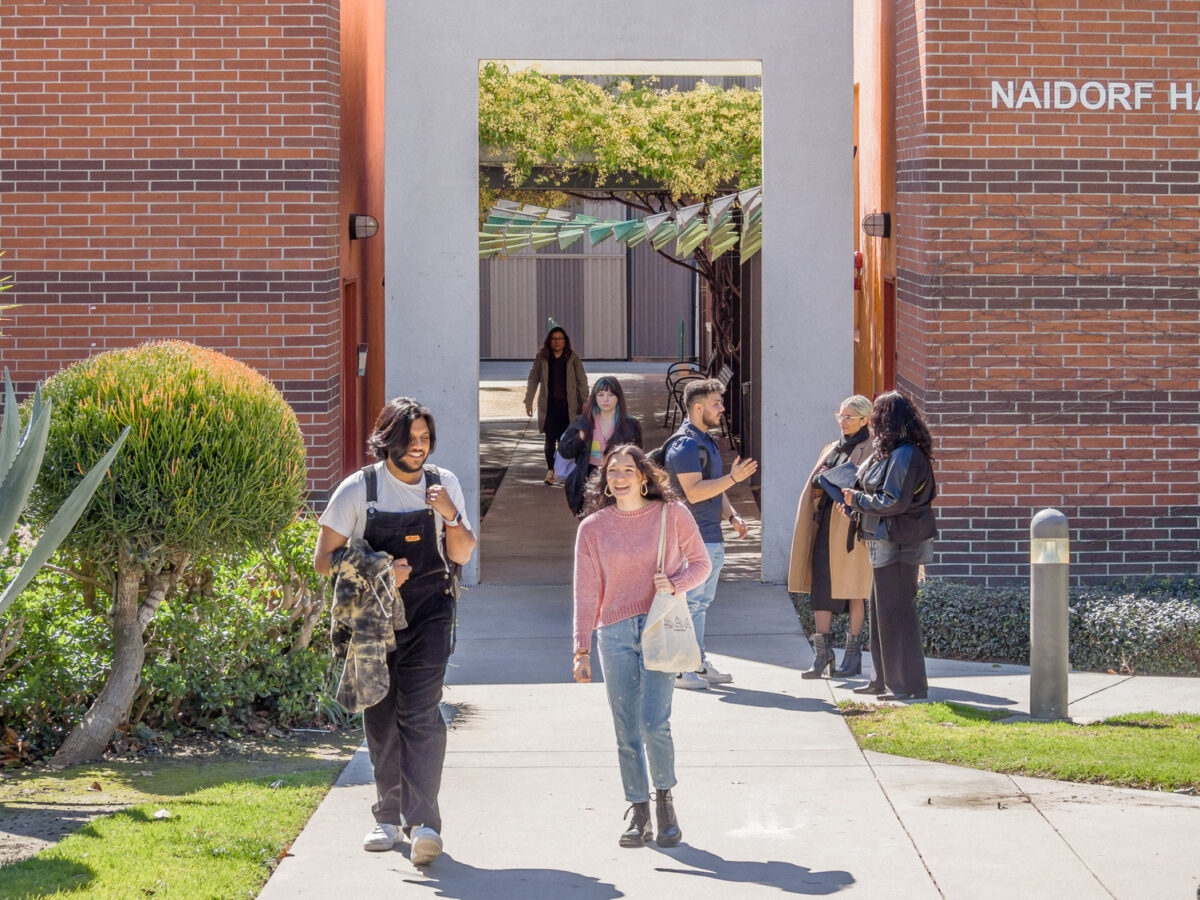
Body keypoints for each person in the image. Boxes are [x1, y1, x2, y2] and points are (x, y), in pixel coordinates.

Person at [314, 397, 477, 862]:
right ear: (388, 440)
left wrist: (449, 513)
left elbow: (462, 553)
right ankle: (387, 817)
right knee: (381, 714)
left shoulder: (444, 485)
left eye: (425, 439)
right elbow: (323, 561)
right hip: (372, 615)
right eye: (409, 439)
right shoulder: (357, 490)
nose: (418, 447)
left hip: (430, 610)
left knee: (421, 710)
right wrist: (381, 569)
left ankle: (425, 823)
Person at [572, 444, 712, 848]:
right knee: (625, 729)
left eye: (627, 470)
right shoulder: (593, 527)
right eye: (611, 471)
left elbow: (701, 563)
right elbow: (586, 591)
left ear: (644, 476)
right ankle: (639, 810)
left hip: (659, 627)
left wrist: (676, 584)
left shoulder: (672, 514)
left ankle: (665, 801)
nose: (618, 477)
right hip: (613, 634)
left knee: (653, 722)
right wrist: (581, 648)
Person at [843, 390, 937, 702]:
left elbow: (893, 501)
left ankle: (908, 685)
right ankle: (881, 680)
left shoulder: (906, 454)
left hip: (899, 542)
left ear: (887, 420)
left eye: (878, 416)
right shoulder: (891, 452)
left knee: (897, 613)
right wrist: (854, 502)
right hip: (885, 541)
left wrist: (856, 500)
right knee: (882, 612)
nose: (872, 423)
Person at [663, 378, 757, 690]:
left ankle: (697, 660)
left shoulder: (707, 441)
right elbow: (693, 491)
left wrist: (731, 515)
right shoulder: (685, 444)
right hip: (689, 539)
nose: (722, 408)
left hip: (711, 536)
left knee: (700, 604)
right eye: (717, 403)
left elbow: (713, 487)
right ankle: (680, 667)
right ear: (698, 407)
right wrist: (733, 478)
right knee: (687, 603)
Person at [788, 394, 874, 679]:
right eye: (840, 416)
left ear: (865, 419)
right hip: (824, 523)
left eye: (849, 417)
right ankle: (822, 655)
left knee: (854, 590)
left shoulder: (871, 448)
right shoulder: (832, 446)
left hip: (851, 527)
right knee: (821, 586)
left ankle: (853, 655)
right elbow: (816, 478)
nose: (843, 422)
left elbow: (866, 485)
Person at [557, 376, 643, 516]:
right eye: (601, 395)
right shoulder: (584, 422)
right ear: (594, 398)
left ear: (618, 398)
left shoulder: (630, 425)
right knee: (590, 521)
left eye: (610, 395)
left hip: (618, 478)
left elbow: (638, 456)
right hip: (588, 478)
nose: (605, 399)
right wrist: (580, 438)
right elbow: (565, 451)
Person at [524, 326, 589, 485]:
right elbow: (533, 379)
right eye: (554, 339)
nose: (557, 342)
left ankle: (563, 471)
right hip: (549, 407)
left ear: (565, 341)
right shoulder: (542, 358)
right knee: (549, 440)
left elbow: (582, 381)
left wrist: (585, 402)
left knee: (565, 441)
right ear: (549, 341)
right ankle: (551, 470)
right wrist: (528, 400)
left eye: (560, 339)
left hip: (569, 407)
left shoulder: (572, 358)